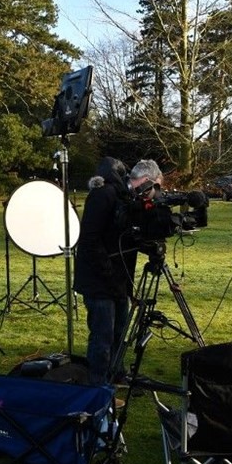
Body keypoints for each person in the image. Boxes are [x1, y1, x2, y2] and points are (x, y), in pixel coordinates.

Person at [74, 157, 163, 385]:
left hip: (118, 278)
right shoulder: (104, 194)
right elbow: (89, 240)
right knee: (102, 336)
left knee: (120, 333)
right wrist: (109, 273)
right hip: (99, 279)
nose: (153, 193)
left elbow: (127, 238)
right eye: (154, 187)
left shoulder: (126, 197)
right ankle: (98, 383)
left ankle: (117, 374)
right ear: (145, 180)